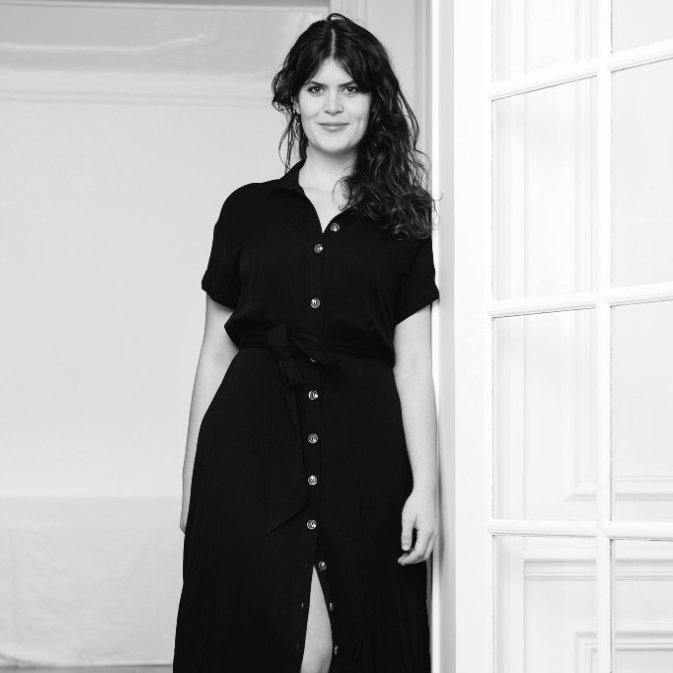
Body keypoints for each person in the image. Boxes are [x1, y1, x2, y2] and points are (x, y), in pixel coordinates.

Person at [173, 12, 439, 673]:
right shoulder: (247, 210)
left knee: (350, 642)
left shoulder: (405, 221)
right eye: (317, 88)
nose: (333, 105)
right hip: (249, 451)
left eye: (351, 88)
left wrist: (426, 487)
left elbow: (413, 365)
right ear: (295, 98)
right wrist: (192, 478)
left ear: (374, 101)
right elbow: (214, 353)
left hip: (364, 457)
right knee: (288, 645)